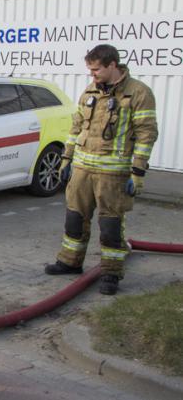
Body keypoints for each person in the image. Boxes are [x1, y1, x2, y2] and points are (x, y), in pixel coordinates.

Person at [44, 44, 158, 295]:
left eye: (96, 70)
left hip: (113, 175)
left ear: (112, 65)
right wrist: (66, 159)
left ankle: (111, 274)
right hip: (83, 169)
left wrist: (137, 173)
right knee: (74, 219)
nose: (91, 74)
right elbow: (76, 129)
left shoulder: (138, 93)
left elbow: (146, 135)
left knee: (111, 226)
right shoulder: (90, 91)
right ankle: (70, 262)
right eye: (90, 69)